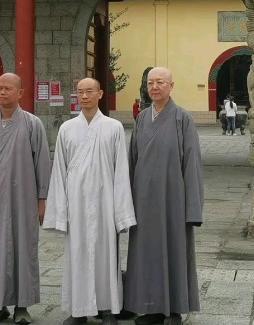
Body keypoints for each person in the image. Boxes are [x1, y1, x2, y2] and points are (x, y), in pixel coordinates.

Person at [44, 78, 135, 325]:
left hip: (105, 203)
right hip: (77, 203)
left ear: (100, 94)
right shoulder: (67, 129)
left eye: (89, 91)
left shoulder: (113, 127)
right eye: (80, 92)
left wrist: (122, 214)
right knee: (77, 255)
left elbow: (121, 173)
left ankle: (108, 310)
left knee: (107, 256)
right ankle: (79, 310)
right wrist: (60, 212)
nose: (84, 96)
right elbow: (59, 173)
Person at [123, 67, 204, 325]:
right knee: (145, 253)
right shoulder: (141, 119)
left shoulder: (183, 119)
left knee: (174, 252)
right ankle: (150, 308)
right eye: (150, 83)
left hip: (173, 200)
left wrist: (192, 208)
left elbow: (192, 164)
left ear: (171, 85)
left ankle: (175, 309)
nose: (155, 87)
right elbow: (131, 162)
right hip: (144, 200)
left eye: (160, 82)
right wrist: (126, 203)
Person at [0, 73, 52, 325]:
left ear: (20, 93)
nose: (2, 92)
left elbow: (42, 162)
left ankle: (22, 306)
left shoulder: (32, 123)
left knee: (23, 249)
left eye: (8, 88)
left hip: (23, 198)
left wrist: (42, 199)